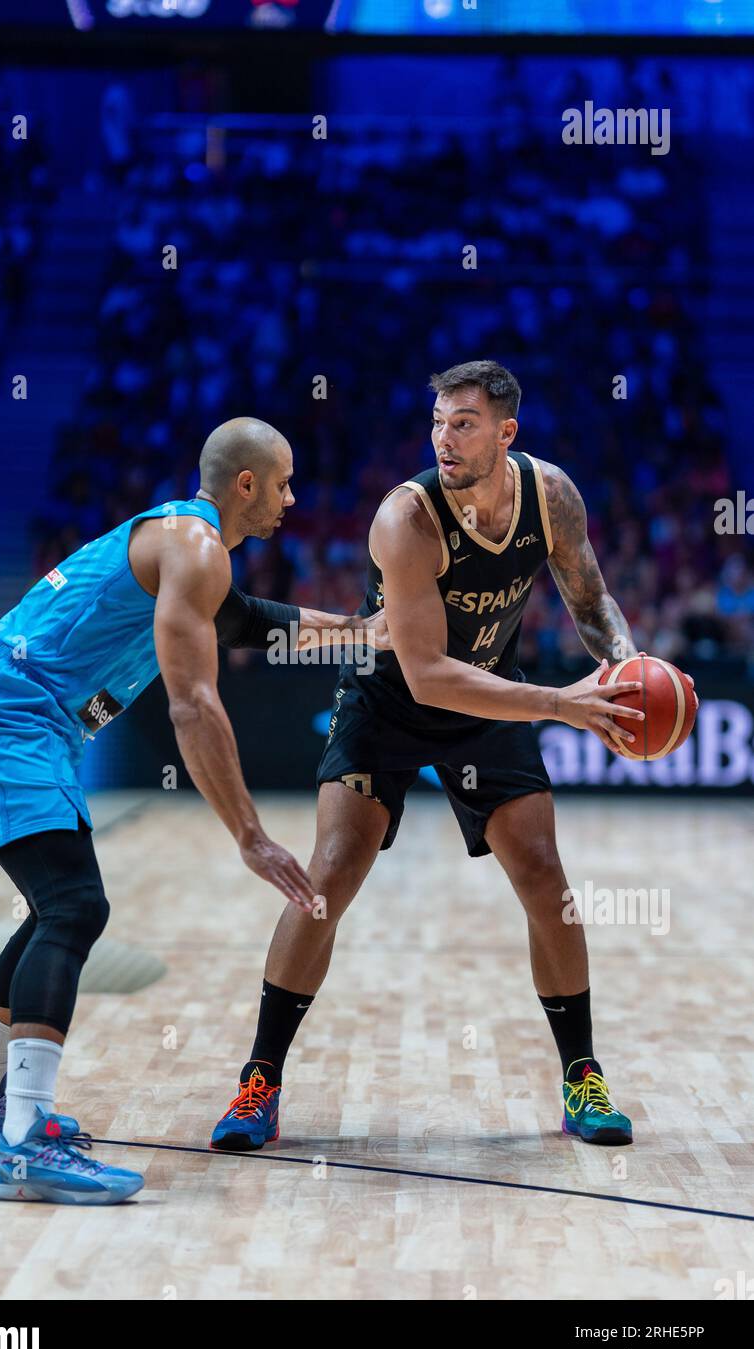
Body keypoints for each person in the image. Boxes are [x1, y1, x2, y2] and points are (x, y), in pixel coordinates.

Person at [210, 361, 696, 1154]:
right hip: (391, 693)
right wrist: (559, 703)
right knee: (329, 874)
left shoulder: (551, 497)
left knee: (545, 874)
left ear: (507, 433)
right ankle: (259, 1079)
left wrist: (624, 676)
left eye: (463, 423)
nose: (444, 437)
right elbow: (429, 675)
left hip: (487, 693)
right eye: (437, 420)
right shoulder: (405, 518)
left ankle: (582, 1076)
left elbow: (590, 599)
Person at [0, 417, 381, 1204]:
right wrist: (249, 835)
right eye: (283, 482)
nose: (292, 497)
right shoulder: (196, 549)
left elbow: (251, 623)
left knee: (51, 912)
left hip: (18, 711)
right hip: (8, 710)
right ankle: (24, 1140)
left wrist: (363, 636)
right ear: (247, 484)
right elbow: (194, 707)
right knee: (73, 906)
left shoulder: (191, 554)